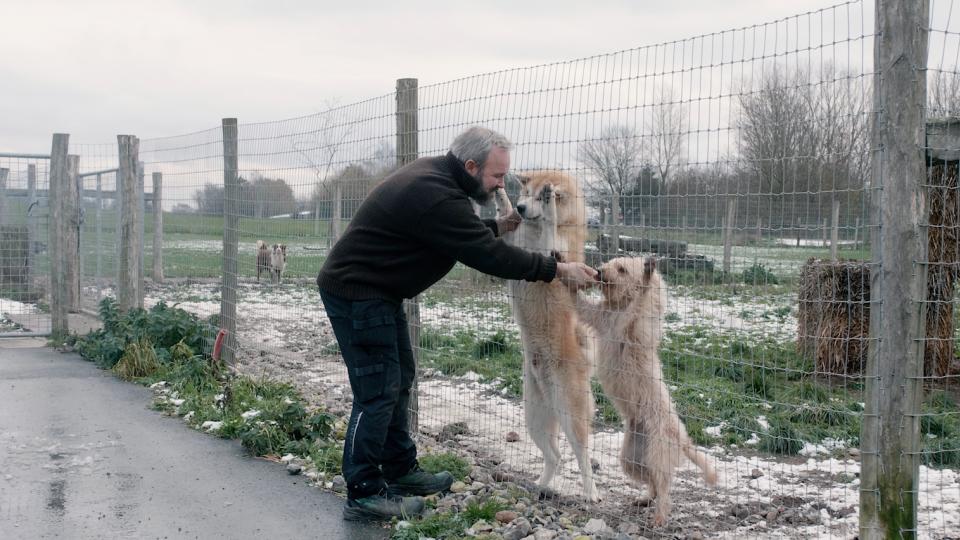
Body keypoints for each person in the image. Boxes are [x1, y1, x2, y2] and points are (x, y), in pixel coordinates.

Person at [316, 126, 598, 521]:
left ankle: (400, 470)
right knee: (377, 391)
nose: (501, 184)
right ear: (470, 166)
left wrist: (499, 227)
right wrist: (558, 269)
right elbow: (486, 254)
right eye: (497, 176)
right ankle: (363, 492)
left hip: (378, 291)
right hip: (356, 293)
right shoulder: (437, 195)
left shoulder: (439, 179)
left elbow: (455, 233)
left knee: (399, 379)